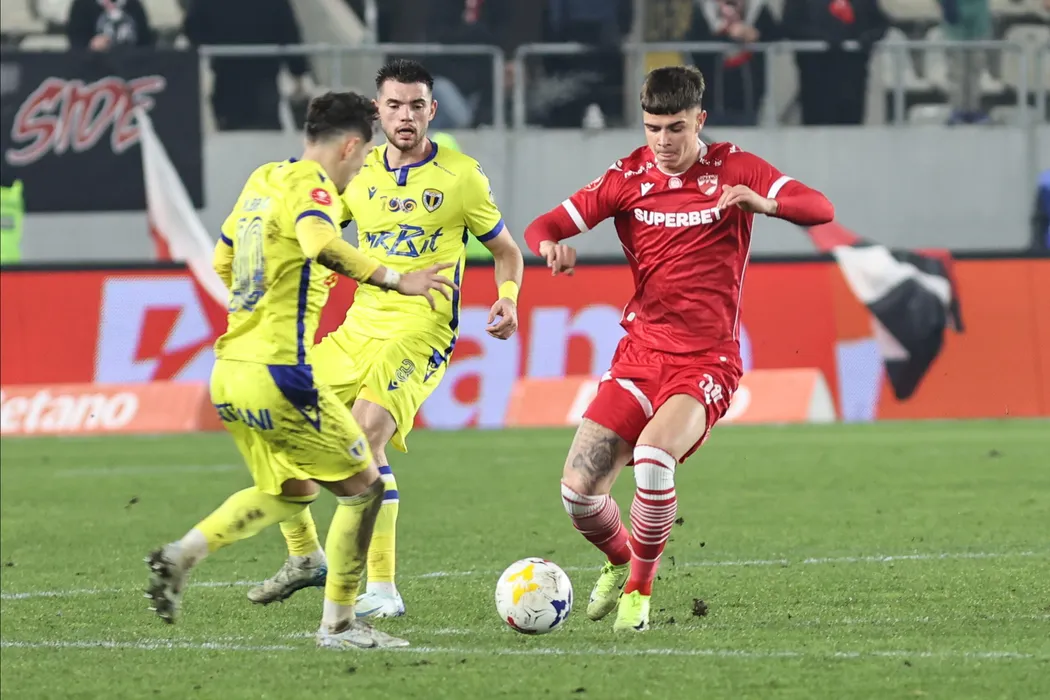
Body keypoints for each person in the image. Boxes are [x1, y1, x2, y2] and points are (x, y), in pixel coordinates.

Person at [522, 66, 835, 631]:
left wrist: (766, 205)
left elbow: (819, 207)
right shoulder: (626, 177)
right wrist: (550, 249)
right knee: (578, 495)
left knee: (653, 458)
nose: (663, 141)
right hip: (640, 355)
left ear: (699, 121)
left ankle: (638, 594)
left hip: (707, 360)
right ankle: (621, 559)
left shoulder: (735, 168)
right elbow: (542, 226)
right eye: (652, 128)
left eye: (675, 128)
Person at [144, 92, 455, 650]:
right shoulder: (315, 188)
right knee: (365, 490)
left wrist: (267, 291)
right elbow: (319, 242)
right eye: (363, 158)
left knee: (290, 490)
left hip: (229, 371)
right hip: (280, 372)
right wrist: (395, 279)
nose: (359, 170)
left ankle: (181, 554)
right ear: (350, 145)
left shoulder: (263, 179)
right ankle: (339, 625)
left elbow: (222, 260)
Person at [247, 59, 524, 618]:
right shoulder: (360, 172)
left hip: (421, 330)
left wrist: (508, 297)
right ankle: (305, 556)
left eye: (416, 105)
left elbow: (506, 251)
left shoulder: (461, 176)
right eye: (394, 105)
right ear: (378, 111)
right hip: (358, 328)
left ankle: (383, 589)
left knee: (365, 436)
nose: (405, 116)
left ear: (432, 110)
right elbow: (323, 234)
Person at [66, 0, 155, 51]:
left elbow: (146, 42)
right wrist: (91, 46)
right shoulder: (82, 4)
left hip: (130, 67)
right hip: (95, 68)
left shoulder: (133, 4)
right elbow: (76, 44)